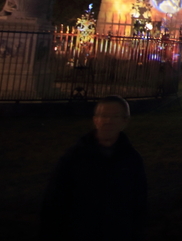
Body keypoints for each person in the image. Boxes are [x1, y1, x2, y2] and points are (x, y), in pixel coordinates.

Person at [40, 96, 147, 240]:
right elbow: (55, 199)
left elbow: (139, 202)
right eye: (104, 115)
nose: (108, 121)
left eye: (115, 116)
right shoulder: (74, 157)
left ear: (125, 121)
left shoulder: (132, 160)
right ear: (95, 119)